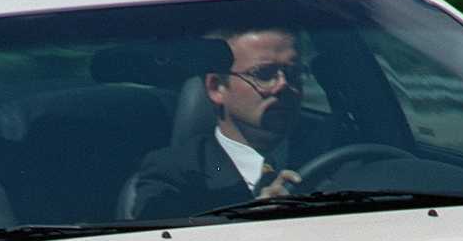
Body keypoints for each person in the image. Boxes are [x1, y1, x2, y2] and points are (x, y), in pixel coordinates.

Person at [126, 25, 320, 220]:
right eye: (263, 73)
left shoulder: (327, 152)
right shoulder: (174, 170)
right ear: (216, 87)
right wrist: (250, 220)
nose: (283, 85)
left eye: (293, 73)